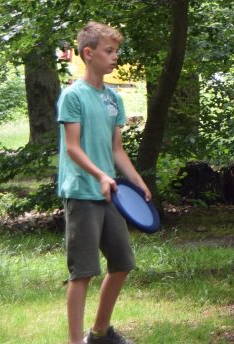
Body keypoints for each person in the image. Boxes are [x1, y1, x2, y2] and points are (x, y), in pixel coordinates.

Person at [57, 22, 150, 344]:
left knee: (122, 263)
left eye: (116, 51)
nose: (115, 57)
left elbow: (117, 150)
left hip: (110, 193)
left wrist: (137, 182)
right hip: (82, 192)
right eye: (109, 51)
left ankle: (99, 333)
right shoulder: (72, 95)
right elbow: (73, 147)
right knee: (82, 272)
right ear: (88, 53)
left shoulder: (113, 99)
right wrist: (99, 175)